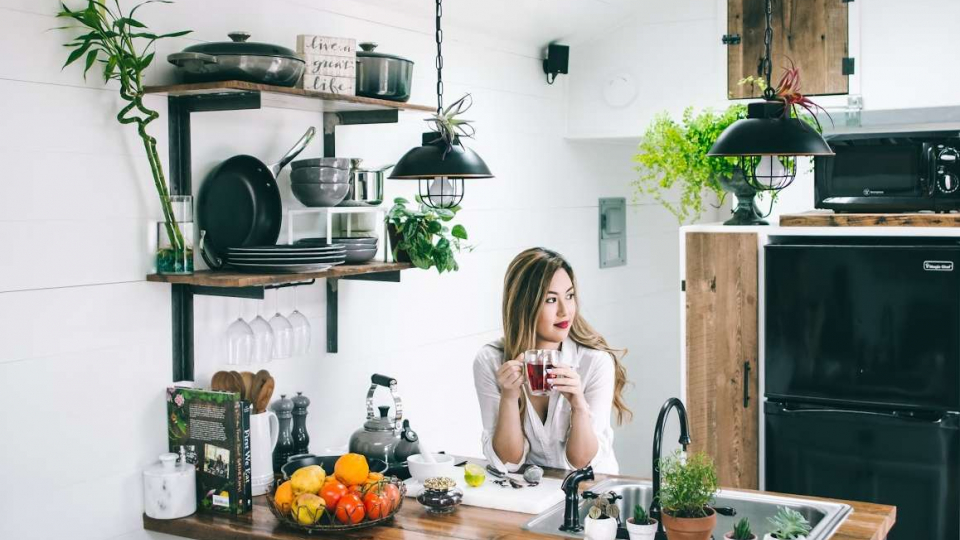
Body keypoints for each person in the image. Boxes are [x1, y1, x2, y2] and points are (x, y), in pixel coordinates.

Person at [473, 247, 631, 474]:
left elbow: (582, 463)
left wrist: (578, 404)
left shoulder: (595, 362)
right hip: (535, 490)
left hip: (593, 489)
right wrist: (509, 397)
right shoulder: (490, 361)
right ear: (524, 306)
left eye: (569, 296)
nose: (565, 310)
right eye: (551, 299)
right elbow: (508, 462)